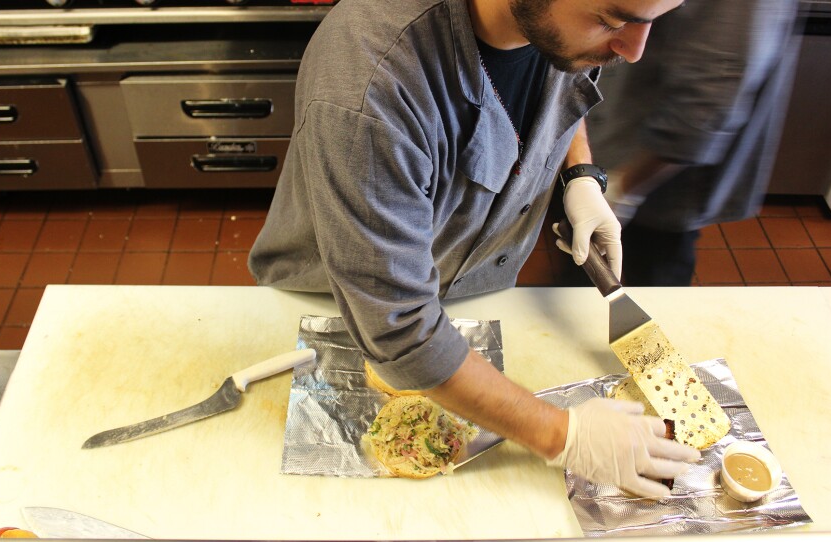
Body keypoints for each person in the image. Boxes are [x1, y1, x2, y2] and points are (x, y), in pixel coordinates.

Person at [249, 0, 699, 498]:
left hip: (463, 282)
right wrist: (562, 435)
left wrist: (580, 174)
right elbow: (398, 328)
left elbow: (565, 70)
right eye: (612, 21)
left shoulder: (548, 20)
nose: (634, 51)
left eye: (651, 22)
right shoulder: (371, 80)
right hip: (330, 303)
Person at [589, 0, 802, 285]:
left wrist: (623, 188)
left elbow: (712, 91)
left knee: (654, 288)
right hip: (610, 149)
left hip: (649, 178)